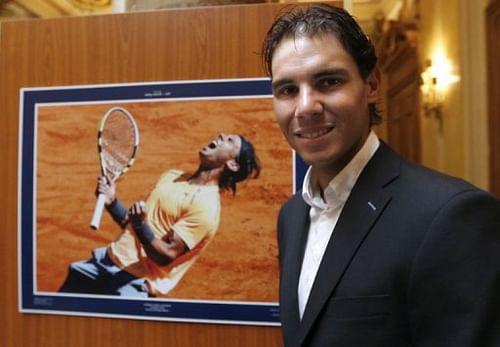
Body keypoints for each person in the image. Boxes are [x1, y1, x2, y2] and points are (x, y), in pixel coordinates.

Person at [262, 3, 500, 346]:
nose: (305, 107)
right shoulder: (292, 216)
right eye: (287, 90)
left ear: (370, 84)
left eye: (328, 82)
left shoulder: (451, 216)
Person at [59, 133, 260, 297]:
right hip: (105, 262)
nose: (221, 135)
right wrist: (112, 203)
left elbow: (165, 255)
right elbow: (137, 226)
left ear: (233, 165)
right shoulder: (173, 176)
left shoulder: (206, 208)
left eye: (229, 141)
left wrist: (140, 226)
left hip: (129, 285)